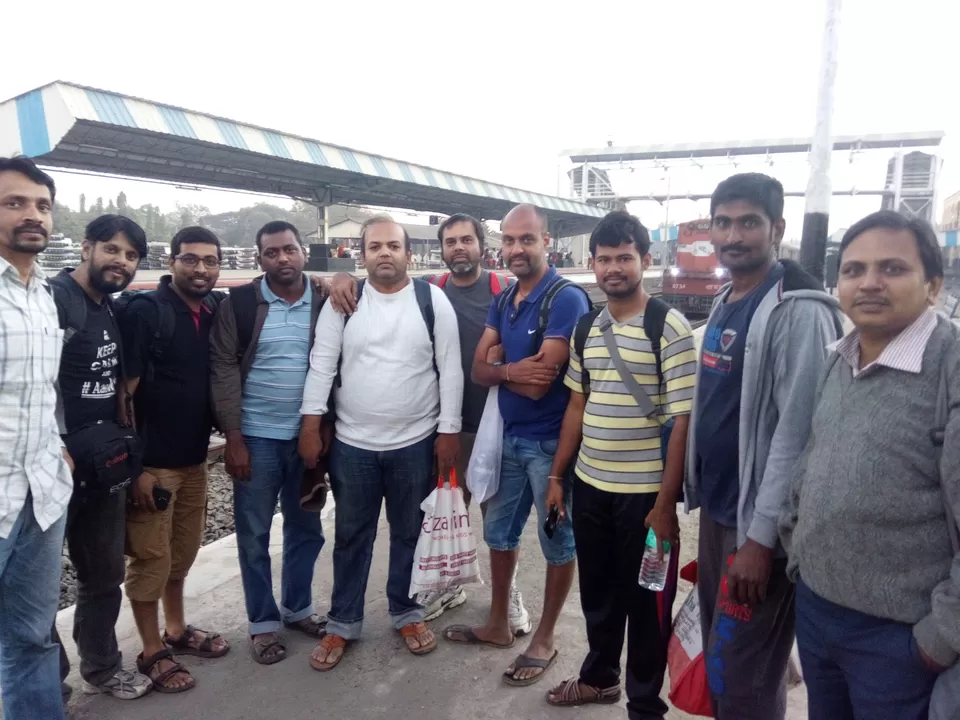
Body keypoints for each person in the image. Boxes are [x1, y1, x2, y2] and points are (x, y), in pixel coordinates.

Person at [780, 211, 960, 720]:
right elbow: (813, 456)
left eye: (892, 269)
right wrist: (798, 552)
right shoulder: (843, 355)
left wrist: (937, 639)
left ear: (933, 285)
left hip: (900, 639)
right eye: (854, 270)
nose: (870, 283)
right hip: (818, 612)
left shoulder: (949, 366)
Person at [684, 173, 843, 719]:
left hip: (758, 531)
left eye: (748, 222)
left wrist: (760, 540)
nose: (733, 235)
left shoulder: (800, 310)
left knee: (741, 675)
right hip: (721, 513)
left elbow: (797, 434)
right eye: (722, 222)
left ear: (777, 227)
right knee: (727, 659)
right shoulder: (729, 298)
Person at [327, 212, 531, 632]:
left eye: (467, 240)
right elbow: (374, 280)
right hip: (445, 426)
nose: (459, 248)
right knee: (444, 517)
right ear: (440, 250)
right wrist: (341, 276)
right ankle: (448, 585)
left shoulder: (505, 292)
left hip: (493, 425)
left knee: (497, 522)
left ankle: (506, 595)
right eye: (451, 241)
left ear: (481, 246)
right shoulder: (431, 291)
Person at [543, 211, 696, 716]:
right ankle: (600, 677)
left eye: (624, 258)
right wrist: (558, 477)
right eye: (604, 259)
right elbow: (577, 407)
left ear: (645, 262)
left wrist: (665, 505)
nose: (613, 268)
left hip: (645, 501)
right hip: (591, 488)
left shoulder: (667, 327)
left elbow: (681, 423)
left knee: (649, 604)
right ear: (592, 263)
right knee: (600, 595)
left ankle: (645, 704)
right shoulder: (587, 327)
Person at [300, 215, 463, 671]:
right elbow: (322, 364)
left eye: (393, 246)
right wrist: (310, 425)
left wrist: (448, 430)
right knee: (352, 536)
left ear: (410, 254)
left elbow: (450, 368)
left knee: (410, 533)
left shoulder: (433, 301)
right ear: (363, 254)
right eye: (375, 247)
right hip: (353, 445)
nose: (385, 253)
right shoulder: (344, 302)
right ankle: (343, 622)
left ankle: (406, 613)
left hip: (416, 441)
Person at [443, 204, 591, 687]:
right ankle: (499, 624)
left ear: (547, 242)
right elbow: (478, 370)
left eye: (526, 240)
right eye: (508, 241)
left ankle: (544, 637)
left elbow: (540, 383)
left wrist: (500, 369)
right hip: (507, 441)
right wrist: (508, 369)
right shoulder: (506, 300)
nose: (516, 249)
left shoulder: (564, 299)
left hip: (551, 449)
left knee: (556, 541)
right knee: (499, 535)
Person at [119, 226, 231, 693]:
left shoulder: (214, 310)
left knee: (181, 554)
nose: (200, 268)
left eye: (209, 260)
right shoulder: (146, 312)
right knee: (150, 558)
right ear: (172, 262)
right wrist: (135, 468)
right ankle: (150, 651)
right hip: (154, 465)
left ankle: (178, 630)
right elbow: (123, 396)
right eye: (190, 259)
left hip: (193, 459)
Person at [210, 221, 327, 664]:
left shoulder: (323, 300)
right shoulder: (239, 304)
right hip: (256, 439)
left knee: (306, 529)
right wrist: (233, 438)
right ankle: (262, 624)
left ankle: (298, 609)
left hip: (307, 440)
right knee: (254, 535)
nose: (282, 259)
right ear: (260, 258)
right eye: (272, 252)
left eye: (290, 250)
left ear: (303, 254)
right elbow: (222, 367)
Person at [47, 215, 153, 701]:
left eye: (131, 256)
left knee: (103, 574)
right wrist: (56, 446)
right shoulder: (53, 300)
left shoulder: (108, 306)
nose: (121, 262)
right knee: (41, 587)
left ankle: (103, 667)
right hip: (51, 467)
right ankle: (48, 684)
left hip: (101, 462)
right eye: (112, 249)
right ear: (86, 247)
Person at [0, 157, 73, 720]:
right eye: (14, 203)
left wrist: (58, 450)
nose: (33, 216)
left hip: (40, 496)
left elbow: (39, 393)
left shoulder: (41, 294)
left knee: (31, 638)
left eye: (42, 205)